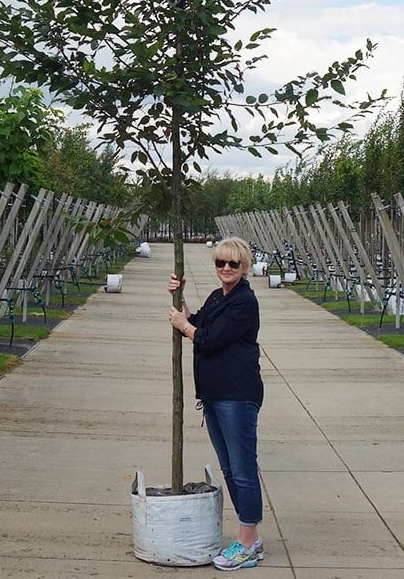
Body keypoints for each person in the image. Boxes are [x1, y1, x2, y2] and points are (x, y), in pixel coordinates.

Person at [168, 236, 264, 571]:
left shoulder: (244, 302)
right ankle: (250, 538)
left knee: (243, 470)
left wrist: (186, 326)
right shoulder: (217, 296)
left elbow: (208, 339)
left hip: (237, 395)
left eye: (232, 264)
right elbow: (197, 324)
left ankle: (247, 541)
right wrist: (178, 300)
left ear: (244, 267)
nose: (225, 268)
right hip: (214, 394)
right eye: (220, 263)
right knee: (229, 468)